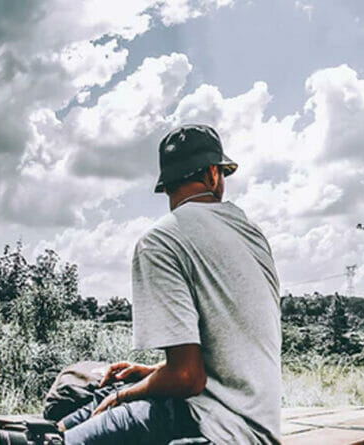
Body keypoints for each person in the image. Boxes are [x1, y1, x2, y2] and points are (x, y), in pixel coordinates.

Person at [60, 124, 282, 444]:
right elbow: (224, 360)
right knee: (74, 420)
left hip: (215, 427)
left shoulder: (161, 240)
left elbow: (186, 377)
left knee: (66, 435)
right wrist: (153, 373)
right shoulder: (252, 233)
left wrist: (124, 397)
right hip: (258, 426)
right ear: (213, 175)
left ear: (166, 187)